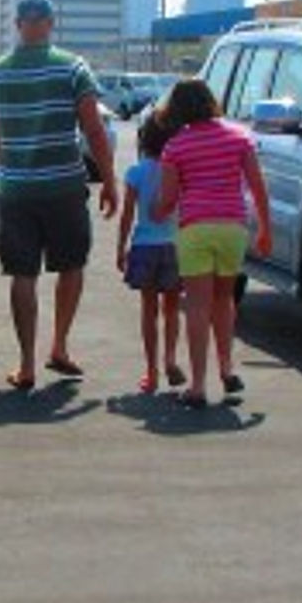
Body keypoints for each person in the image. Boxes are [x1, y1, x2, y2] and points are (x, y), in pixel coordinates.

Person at [0, 0, 118, 389]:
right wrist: (109, 179)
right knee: (70, 265)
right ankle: (59, 345)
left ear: (17, 25)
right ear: (51, 24)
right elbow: (93, 129)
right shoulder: (72, 68)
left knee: (22, 274)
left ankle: (26, 365)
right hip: (64, 186)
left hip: (17, 189)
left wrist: (8, 161)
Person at [153, 78, 272, 408]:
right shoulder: (239, 137)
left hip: (195, 229)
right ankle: (226, 368)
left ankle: (198, 385)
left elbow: (169, 198)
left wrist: (155, 211)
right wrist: (265, 229)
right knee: (224, 299)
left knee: (197, 305)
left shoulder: (175, 147)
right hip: (232, 227)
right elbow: (257, 185)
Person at [116, 115, 186, 394]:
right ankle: (170, 359)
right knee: (172, 308)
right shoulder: (177, 171)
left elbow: (128, 214)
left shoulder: (135, 172)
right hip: (173, 244)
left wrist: (121, 247)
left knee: (149, 309)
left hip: (144, 245)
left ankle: (151, 371)